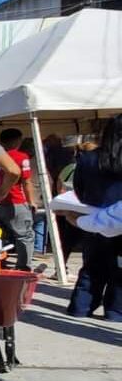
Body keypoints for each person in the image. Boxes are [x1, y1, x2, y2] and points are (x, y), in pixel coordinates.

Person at [67, 114, 122, 321]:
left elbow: (79, 190)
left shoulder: (89, 159)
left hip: (93, 218)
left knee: (91, 267)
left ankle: (80, 308)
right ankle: (115, 312)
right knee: (120, 270)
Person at [0, 129, 36, 270]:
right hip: (15, 200)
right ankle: (23, 267)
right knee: (25, 236)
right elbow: (26, 181)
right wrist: (31, 201)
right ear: (18, 141)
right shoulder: (21, 157)